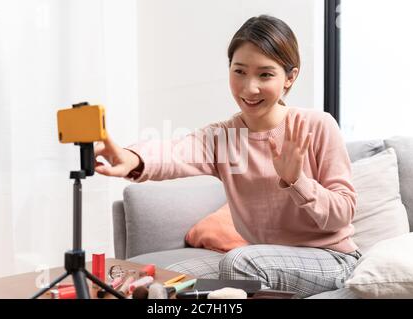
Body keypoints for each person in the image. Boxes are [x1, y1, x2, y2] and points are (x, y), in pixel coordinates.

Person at [94, 15, 361, 298]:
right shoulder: (225, 137)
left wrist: (297, 180)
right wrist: (130, 157)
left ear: (290, 77)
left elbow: (342, 214)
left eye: (265, 74)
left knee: (240, 262)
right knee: (158, 281)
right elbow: (175, 152)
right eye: (240, 72)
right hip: (264, 256)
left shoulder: (317, 126)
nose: (249, 88)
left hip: (331, 259)